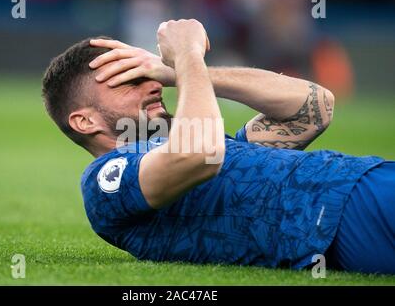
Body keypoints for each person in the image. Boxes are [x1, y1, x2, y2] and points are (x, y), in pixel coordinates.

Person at [41, 20, 394, 274]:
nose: (152, 87)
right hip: (343, 218)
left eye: (147, 76)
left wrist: (176, 71)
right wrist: (187, 55)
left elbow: (313, 107)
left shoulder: (201, 145)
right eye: (130, 82)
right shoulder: (105, 180)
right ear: (84, 122)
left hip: (369, 179)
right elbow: (197, 156)